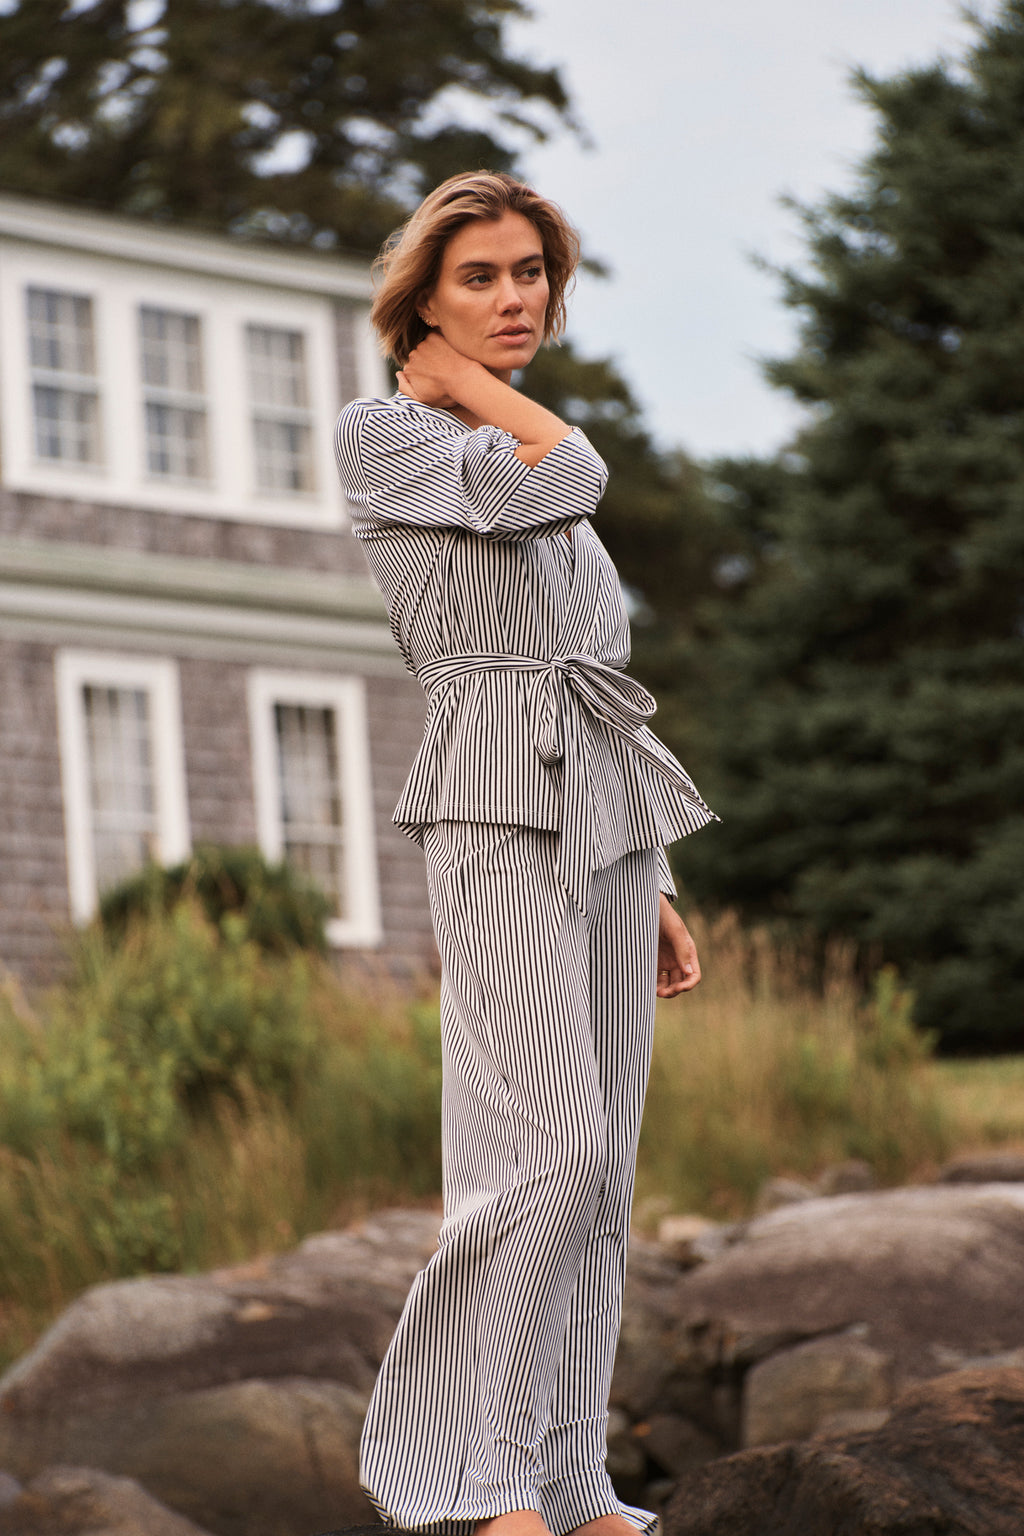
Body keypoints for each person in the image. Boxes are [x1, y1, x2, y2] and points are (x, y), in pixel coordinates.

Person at [334, 171, 717, 1536]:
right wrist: (461, 383)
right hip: (494, 810)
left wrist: (658, 879)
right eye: (483, 277)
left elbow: (596, 673)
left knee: (603, 1173)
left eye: (531, 273)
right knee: (547, 1149)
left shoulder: (526, 460)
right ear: (424, 301)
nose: (517, 299)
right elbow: (575, 464)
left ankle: (572, 1481)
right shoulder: (386, 435)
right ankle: (486, 1488)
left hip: (606, 822)